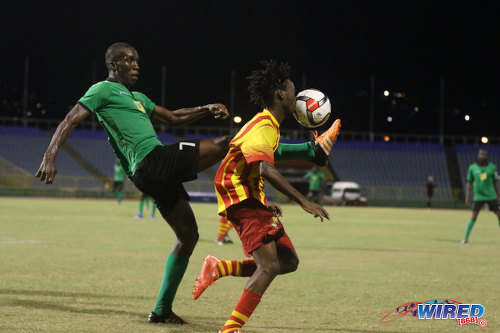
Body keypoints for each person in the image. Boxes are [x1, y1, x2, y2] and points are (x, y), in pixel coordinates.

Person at [35, 43, 340, 325]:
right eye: (129, 60)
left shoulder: (137, 98)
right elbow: (70, 118)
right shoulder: (101, 89)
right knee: (229, 143)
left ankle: (161, 310)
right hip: (152, 161)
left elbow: (172, 118)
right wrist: (50, 155)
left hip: (152, 175)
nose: (136, 64)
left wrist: (205, 108)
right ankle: (310, 151)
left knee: (189, 236)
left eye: (137, 60)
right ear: (112, 64)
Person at [192, 60, 335, 333]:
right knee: (268, 266)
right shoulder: (264, 126)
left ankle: (218, 268)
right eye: (294, 92)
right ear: (280, 95)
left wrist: (262, 198)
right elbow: (266, 169)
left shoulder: (269, 124)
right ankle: (230, 330)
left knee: (288, 262)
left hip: (249, 195)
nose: (297, 96)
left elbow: (252, 166)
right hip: (239, 197)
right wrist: (303, 201)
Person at [462, 149, 500, 244]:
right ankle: (465, 238)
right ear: (478, 155)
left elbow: (496, 183)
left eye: (485, 154)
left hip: (491, 196)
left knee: (499, 215)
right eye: (481, 154)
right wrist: (467, 196)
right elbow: (469, 183)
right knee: (474, 217)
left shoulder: (492, 167)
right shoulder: (472, 168)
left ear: (487, 156)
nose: (483, 156)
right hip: (478, 197)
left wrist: (499, 196)